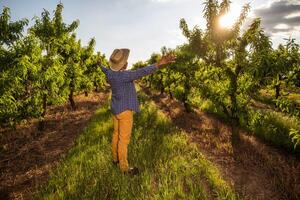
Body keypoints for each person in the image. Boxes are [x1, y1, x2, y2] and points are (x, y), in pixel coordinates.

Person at [98, 48, 176, 175]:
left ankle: (115, 159)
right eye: (126, 61)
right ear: (124, 64)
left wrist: (99, 65)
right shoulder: (125, 75)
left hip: (115, 109)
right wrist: (159, 64)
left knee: (116, 135)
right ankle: (124, 168)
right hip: (125, 112)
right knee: (123, 140)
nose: (127, 62)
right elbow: (142, 72)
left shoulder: (110, 74)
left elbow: (104, 69)